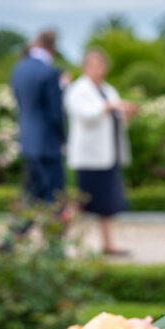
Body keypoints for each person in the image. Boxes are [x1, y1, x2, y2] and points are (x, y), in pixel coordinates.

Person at [64, 48, 135, 255]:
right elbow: (87, 115)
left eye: (100, 64)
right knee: (80, 202)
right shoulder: (77, 90)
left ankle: (108, 244)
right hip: (89, 158)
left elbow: (116, 121)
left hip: (109, 156)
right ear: (84, 67)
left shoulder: (108, 90)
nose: (97, 69)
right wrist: (112, 106)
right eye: (93, 64)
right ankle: (59, 239)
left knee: (107, 204)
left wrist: (126, 114)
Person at [10, 30, 66, 206]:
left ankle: (18, 231)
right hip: (47, 142)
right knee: (53, 196)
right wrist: (63, 139)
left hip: (27, 139)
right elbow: (54, 113)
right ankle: (53, 232)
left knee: (31, 192)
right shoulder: (49, 72)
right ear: (53, 48)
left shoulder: (18, 69)